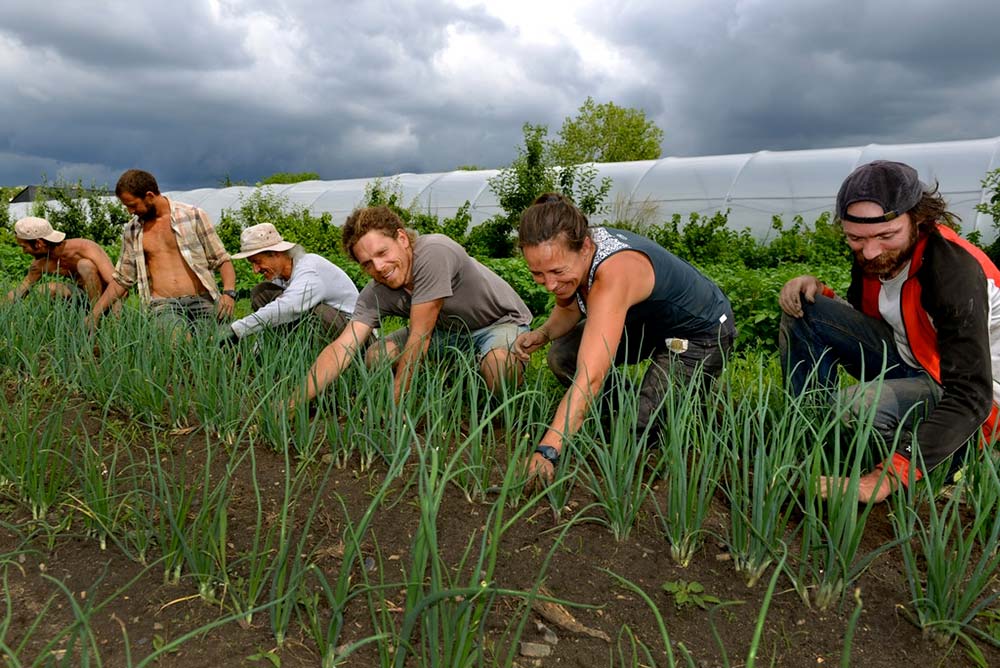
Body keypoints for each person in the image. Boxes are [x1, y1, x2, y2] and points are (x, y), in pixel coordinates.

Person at [778, 160, 1000, 503]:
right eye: (855, 238)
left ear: (918, 220)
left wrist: (885, 476)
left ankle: (949, 465)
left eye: (886, 236)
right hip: (916, 358)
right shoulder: (876, 254)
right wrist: (821, 295)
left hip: (978, 398)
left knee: (854, 407)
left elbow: (973, 395)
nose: (869, 251)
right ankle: (815, 441)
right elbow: (884, 319)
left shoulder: (952, 274)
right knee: (806, 311)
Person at [513, 193, 736, 481]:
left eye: (557, 271)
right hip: (648, 322)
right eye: (538, 275)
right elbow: (568, 309)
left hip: (700, 332)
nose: (550, 284)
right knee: (561, 355)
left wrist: (548, 449)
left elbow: (590, 377)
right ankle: (636, 405)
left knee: (637, 427)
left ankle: (681, 413)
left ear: (586, 248)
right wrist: (543, 334)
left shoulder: (614, 273)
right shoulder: (574, 258)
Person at [296, 205, 532, 406]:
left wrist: (394, 406)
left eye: (383, 252)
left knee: (498, 365)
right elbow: (341, 348)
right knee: (378, 355)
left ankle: (501, 414)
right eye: (368, 263)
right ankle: (436, 392)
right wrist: (292, 403)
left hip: (497, 323)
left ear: (402, 239)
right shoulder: (376, 291)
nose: (379, 267)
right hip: (446, 332)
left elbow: (420, 338)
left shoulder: (434, 252)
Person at [87, 169, 237, 331]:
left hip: (202, 300)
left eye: (132, 205)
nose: (130, 211)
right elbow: (123, 279)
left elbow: (222, 259)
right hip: (163, 305)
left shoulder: (193, 216)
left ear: (149, 196)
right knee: (176, 341)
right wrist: (94, 314)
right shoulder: (133, 230)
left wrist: (229, 293)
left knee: (222, 344)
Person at [220, 223, 359, 343]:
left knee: (316, 311)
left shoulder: (309, 269)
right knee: (263, 292)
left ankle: (323, 363)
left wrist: (236, 330)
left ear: (276, 254)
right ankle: (285, 352)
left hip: (356, 333)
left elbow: (289, 307)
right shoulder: (281, 278)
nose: (255, 270)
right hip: (331, 327)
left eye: (257, 262)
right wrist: (256, 355)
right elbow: (275, 314)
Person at [7, 216, 116, 306]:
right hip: (82, 297)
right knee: (45, 289)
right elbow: (21, 290)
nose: (24, 252)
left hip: (106, 298)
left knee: (85, 265)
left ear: (38, 243)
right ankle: (77, 319)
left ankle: (96, 317)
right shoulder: (41, 264)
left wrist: (113, 319)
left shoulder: (85, 248)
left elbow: (116, 285)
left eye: (24, 247)